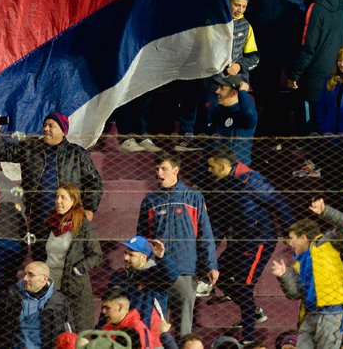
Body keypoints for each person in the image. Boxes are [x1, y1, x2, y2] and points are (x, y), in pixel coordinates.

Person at [204, 147, 288, 345]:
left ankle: (248, 339)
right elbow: (220, 222)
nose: (208, 170)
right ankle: (252, 312)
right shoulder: (223, 185)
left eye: (211, 166)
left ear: (223, 166)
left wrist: (289, 231)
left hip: (259, 240)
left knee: (244, 285)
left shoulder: (252, 180)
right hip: (240, 241)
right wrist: (209, 254)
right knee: (217, 274)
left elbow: (278, 202)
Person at [136, 153, 217, 338]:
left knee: (184, 330)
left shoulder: (193, 197)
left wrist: (211, 264)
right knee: (155, 328)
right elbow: (141, 239)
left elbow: (205, 234)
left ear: (176, 170)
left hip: (185, 272)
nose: (159, 173)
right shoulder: (150, 201)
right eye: (157, 169)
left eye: (163, 168)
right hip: (157, 274)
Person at [0, 111, 103, 237]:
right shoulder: (30, 148)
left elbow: (94, 182)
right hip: (38, 219)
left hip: (68, 218)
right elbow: (1, 152)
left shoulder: (77, 154)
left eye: (51, 126)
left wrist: (89, 209)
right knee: (40, 255)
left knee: (67, 255)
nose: (45, 128)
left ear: (63, 131)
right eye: (44, 125)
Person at [271, 217, 343, 349]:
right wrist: (284, 276)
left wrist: (326, 212)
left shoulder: (326, 244)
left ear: (304, 238)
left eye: (292, 237)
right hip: (310, 314)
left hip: (330, 314)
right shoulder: (298, 263)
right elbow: (294, 294)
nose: (289, 243)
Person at [43, 184, 101, 331]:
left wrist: (77, 270)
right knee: (54, 332)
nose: (58, 201)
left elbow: (96, 255)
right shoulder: (50, 223)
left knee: (77, 332)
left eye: (63, 197)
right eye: (56, 197)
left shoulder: (83, 226)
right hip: (51, 286)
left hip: (75, 288)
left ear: (73, 200)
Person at [106, 237, 177, 348]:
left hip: (150, 337)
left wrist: (161, 258)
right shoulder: (118, 275)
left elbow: (171, 275)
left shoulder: (155, 276)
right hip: (121, 336)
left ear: (144, 257)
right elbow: (108, 304)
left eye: (131, 255)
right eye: (125, 253)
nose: (125, 258)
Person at [0, 261, 71, 349]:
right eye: (25, 274)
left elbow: (69, 332)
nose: (25, 278)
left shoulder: (59, 301)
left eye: (31, 275)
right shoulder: (12, 295)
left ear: (44, 279)